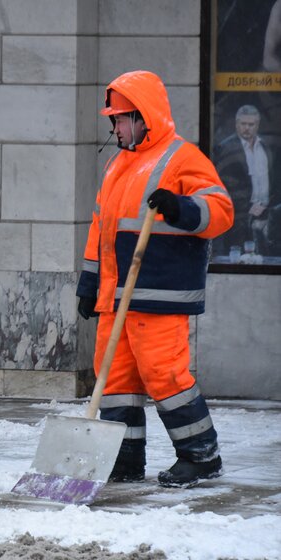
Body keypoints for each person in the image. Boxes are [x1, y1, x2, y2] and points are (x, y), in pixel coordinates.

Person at [76, 71, 234, 488]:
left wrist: (180, 207)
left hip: (160, 293)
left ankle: (201, 456)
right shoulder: (117, 164)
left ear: (144, 117)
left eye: (122, 119)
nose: (115, 128)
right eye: (113, 121)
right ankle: (124, 460)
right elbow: (101, 229)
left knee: (165, 375)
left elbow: (220, 211)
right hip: (116, 296)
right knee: (115, 381)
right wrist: (89, 284)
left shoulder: (181, 157)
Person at [213, 105, 281, 257]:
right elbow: (224, 185)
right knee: (239, 258)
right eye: (243, 124)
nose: (247, 128)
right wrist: (248, 208)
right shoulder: (225, 148)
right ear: (236, 124)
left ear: (257, 125)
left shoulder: (266, 146)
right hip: (239, 218)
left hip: (266, 215)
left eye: (251, 124)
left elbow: (272, 179)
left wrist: (267, 207)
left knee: (264, 258)